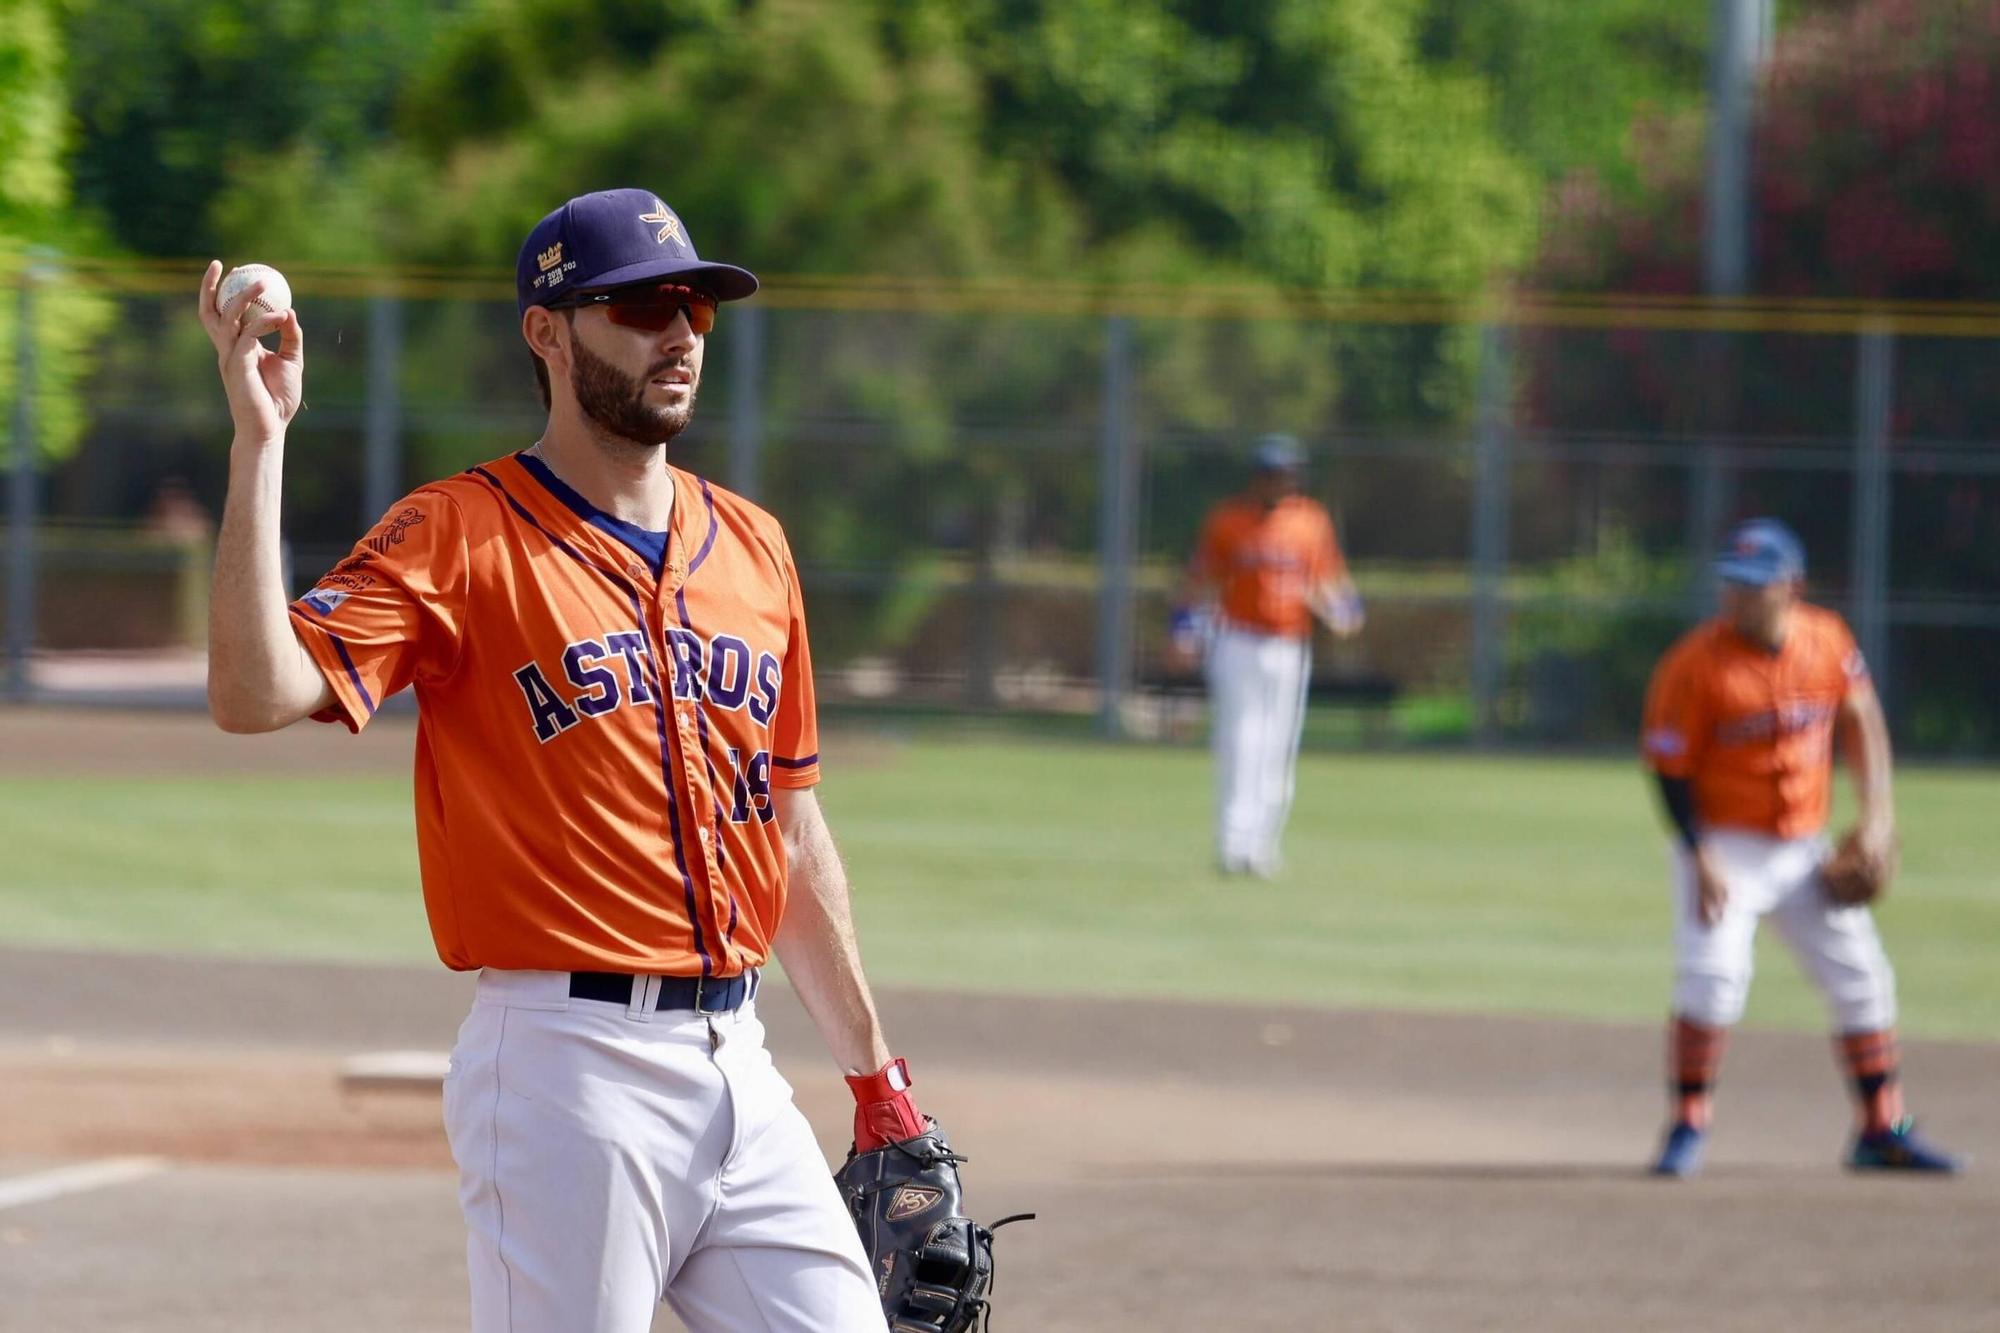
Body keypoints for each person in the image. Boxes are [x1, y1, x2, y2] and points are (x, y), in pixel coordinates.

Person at [197, 187, 931, 1331]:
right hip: (566, 1071)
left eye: (693, 303)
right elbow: (255, 693)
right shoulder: (457, 533)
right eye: (638, 306)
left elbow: (788, 830)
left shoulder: (753, 545)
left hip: (741, 1060)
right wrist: (261, 444)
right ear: (547, 330)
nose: (678, 331)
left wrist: (877, 1082)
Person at [1640, 518, 1960, 1178]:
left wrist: (1877, 818)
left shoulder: (1827, 639)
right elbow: (1669, 770)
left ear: (1791, 586)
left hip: (1801, 847)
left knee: (1864, 979)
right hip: (1722, 843)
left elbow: (1862, 718)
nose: (1737, 597)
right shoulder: (1694, 664)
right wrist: (1698, 855)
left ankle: (1884, 1128)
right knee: (1713, 978)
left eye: (1753, 585)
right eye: (1731, 583)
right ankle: (1688, 1123)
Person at [1169, 433, 1363, 878]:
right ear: (1257, 477)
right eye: (1272, 473)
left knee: (1279, 745)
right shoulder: (1229, 521)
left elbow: (1332, 581)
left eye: (1287, 473)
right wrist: (1182, 632)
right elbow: (1199, 581)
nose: (1280, 480)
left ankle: (1263, 845)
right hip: (1238, 639)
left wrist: (1347, 611)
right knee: (1240, 740)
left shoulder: (1310, 521)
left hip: (1290, 644)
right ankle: (1233, 842)